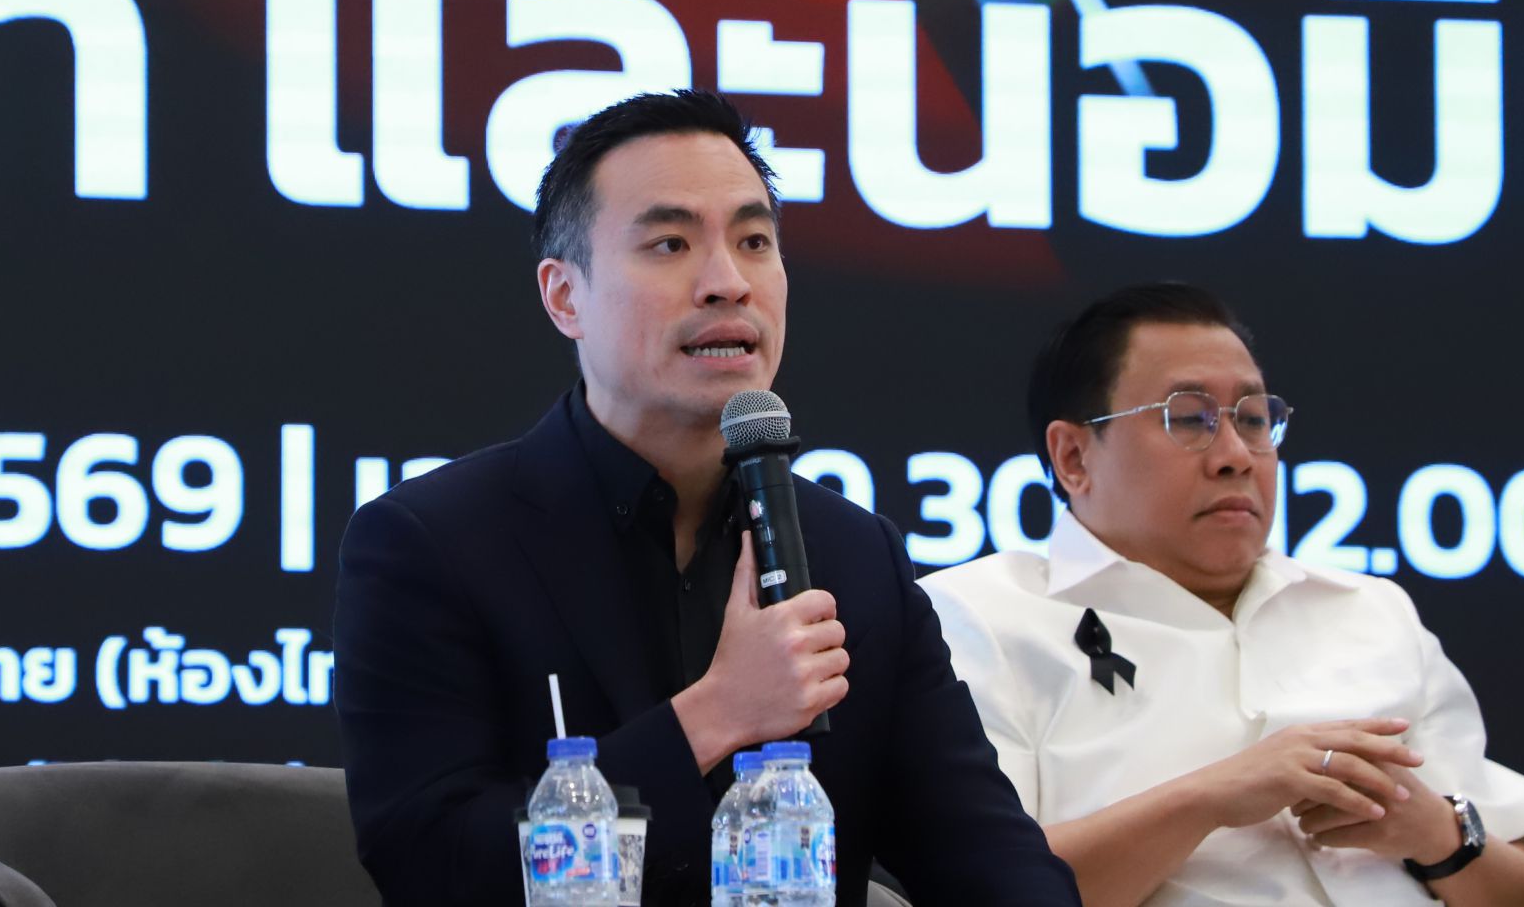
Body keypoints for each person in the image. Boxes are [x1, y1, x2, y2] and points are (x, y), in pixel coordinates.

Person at [332, 89, 1079, 906]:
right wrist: (715, 715)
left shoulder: (854, 556)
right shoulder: (433, 543)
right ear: (565, 296)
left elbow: (987, 857)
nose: (728, 282)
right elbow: (433, 867)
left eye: (754, 241)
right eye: (670, 243)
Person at [920, 282, 1524, 907]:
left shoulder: (1372, 611)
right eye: (1189, 418)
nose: (1236, 456)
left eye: (1252, 420)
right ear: (1074, 457)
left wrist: (1438, 836)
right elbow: (978, 890)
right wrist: (1211, 798)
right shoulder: (978, 619)